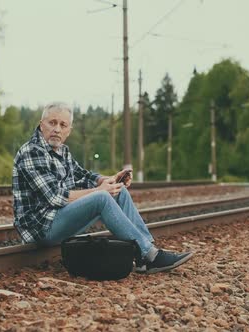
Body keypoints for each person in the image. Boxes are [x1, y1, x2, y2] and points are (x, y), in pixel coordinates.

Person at [12, 102, 193, 274]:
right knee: (102, 198)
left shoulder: (62, 151)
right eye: (52, 123)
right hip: (41, 227)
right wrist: (100, 191)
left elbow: (82, 175)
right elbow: (54, 197)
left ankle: (147, 253)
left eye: (62, 124)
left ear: (69, 130)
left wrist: (109, 180)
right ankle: (149, 255)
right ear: (41, 124)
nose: (57, 129)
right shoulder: (32, 151)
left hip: (58, 217)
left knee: (118, 191)